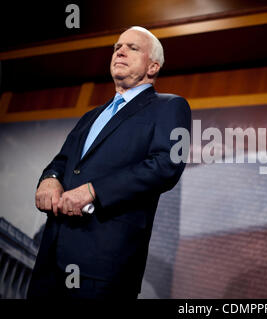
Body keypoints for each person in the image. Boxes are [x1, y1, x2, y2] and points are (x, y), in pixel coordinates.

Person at [27, 26, 191, 299]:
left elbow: (167, 166)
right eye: (117, 47)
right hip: (50, 259)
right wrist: (50, 179)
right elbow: (63, 160)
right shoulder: (92, 115)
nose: (120, 51)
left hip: (103, 267)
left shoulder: (172, 107)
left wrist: (94, 190)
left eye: (132, 48)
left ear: (152, 67)